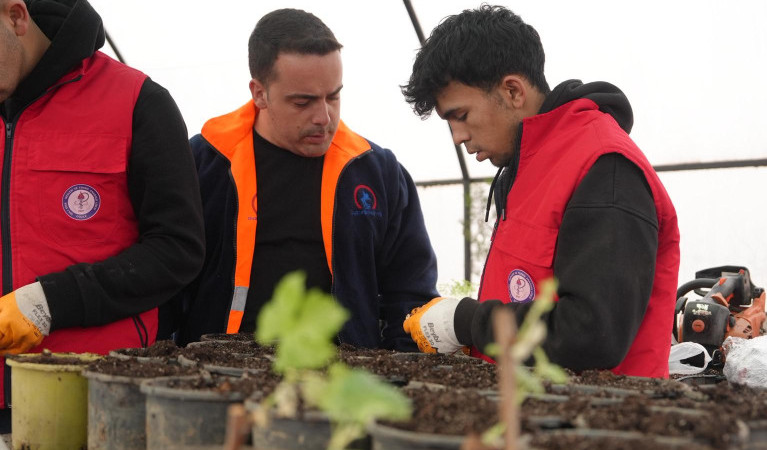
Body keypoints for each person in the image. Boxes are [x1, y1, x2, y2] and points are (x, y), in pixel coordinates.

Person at [401, 5, 680, 378]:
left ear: (512, 90)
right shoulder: (529, 166)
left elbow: (592, 334)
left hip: (596, 425)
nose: (458, 137)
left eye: (461, 115)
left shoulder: (604, 167)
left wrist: (466, 321)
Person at [178, 8, 438, 351]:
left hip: (342, 387)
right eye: (303, 102)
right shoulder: (204, 163)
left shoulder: (377, 173)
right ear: (259, 93)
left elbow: (409, 293)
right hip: (217, 377)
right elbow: (166, 283)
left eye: (334, 96)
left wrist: (398, 376)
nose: (323, 117)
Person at [0, 0, 205, 430]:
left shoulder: (139, 103)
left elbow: (178, 248)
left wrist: (48, 302)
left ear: (16, 17)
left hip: (99, 397)